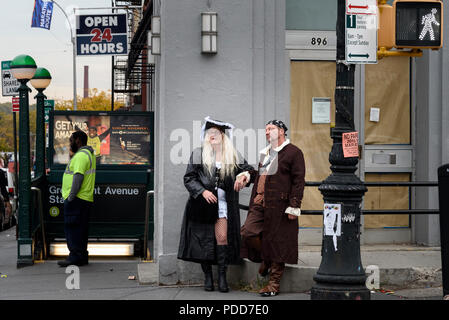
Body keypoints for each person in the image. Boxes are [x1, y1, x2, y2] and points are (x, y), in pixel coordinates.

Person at [178, 117, 254, 292]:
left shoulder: (232, 155)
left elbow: (248, 169)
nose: (212, 136)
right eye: (210, 133)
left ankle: (221, 276)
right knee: (204, 240)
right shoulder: (199, 153)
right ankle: (207, 277)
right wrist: (202, 191)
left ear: (223, 136)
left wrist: (244, 176)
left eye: (216, 133)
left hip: (223, 206)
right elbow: (189, 178)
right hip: (202, 205)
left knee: (222, 238)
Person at [237, 120, 305, 296]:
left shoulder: (294, 153)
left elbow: (299, 181)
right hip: (260, 202)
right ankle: (266, 258)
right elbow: (261, 175)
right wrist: (246, 175)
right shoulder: (266, 153)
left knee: (278, 242)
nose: (267, 132)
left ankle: (273, 286)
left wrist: (294, 205)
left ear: (281, 131)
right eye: (266, 130)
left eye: (271, 129)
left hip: (279, 206)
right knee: (247, 232)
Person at [58, 130, 96, 267]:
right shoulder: (88, 154)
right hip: (84, 199)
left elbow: (78, 178)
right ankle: (81, 256)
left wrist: (70, 197)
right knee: (81, 229)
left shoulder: (80, 156)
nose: (70, 143)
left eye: (71, 140)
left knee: (73, 228)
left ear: (78, 140)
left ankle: (74, 256)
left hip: (77, 199)